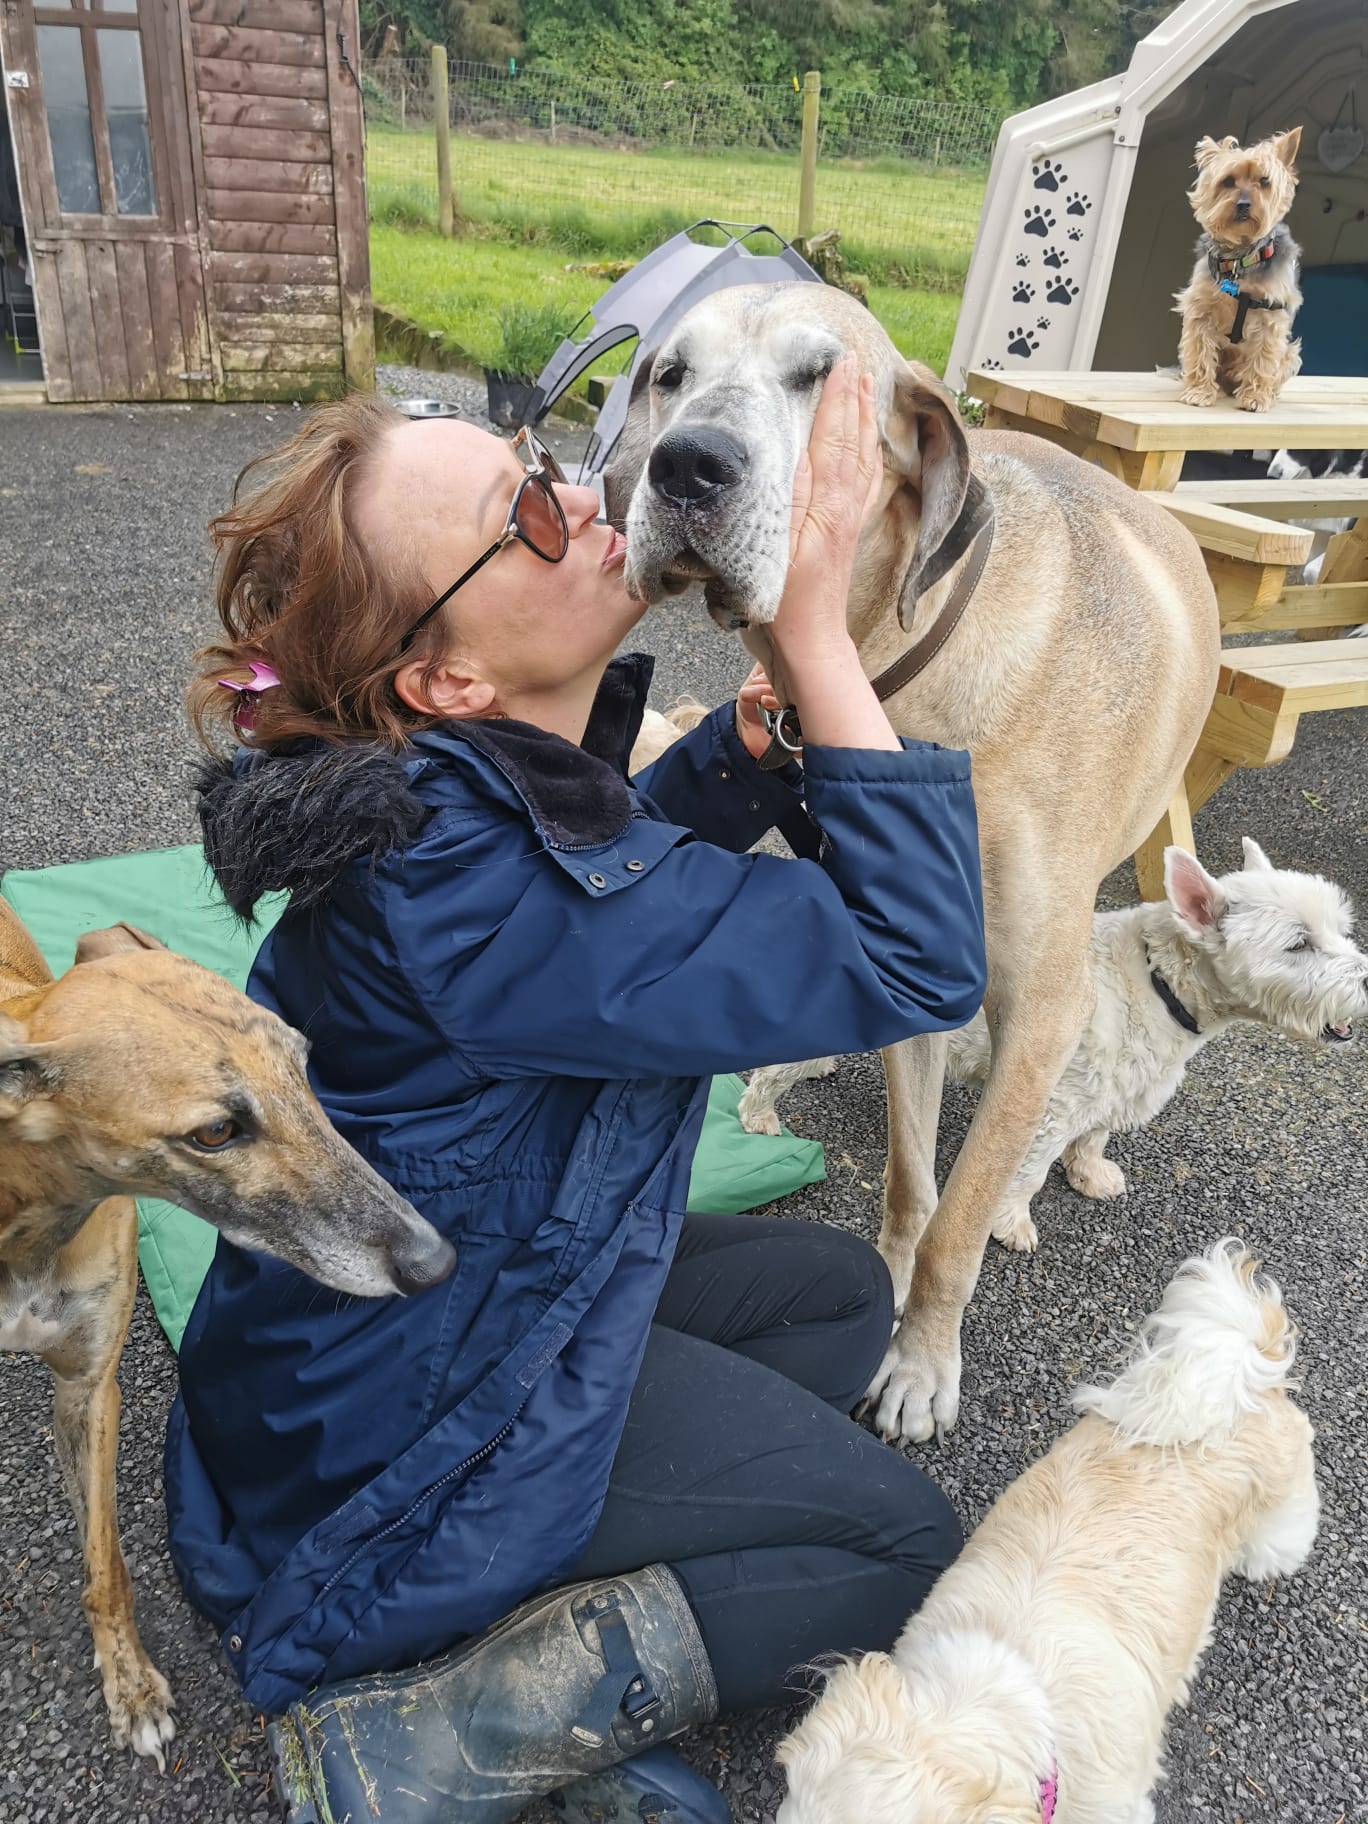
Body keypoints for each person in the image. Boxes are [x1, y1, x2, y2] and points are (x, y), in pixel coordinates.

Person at [168, 358, 987, 1824]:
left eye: (541, 463)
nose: (577, 496)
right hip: (405, 1434)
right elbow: (921, 962)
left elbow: (580, 899)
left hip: (368, 1339)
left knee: (833, 1297)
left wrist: (726, 772)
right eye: (523, 516)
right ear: (449, 681)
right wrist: (813, 633)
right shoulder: (485, 907)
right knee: (906, 1548)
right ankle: (431, 1731)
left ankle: (594, 1535)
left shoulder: (427, 794)